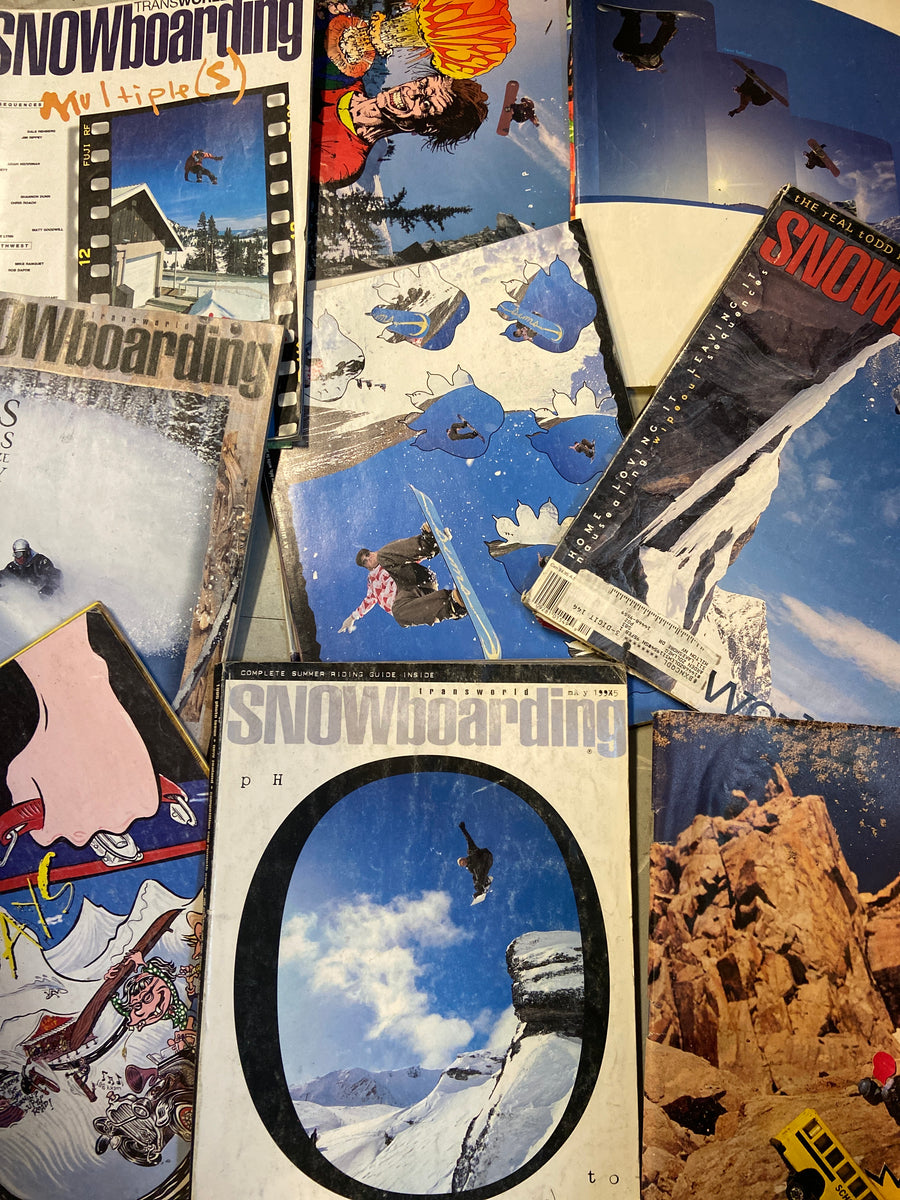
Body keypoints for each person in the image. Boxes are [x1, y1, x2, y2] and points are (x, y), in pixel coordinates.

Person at [312, 72, 489, 188]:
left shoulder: (345, 162)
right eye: (422, 84)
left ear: (427, 128)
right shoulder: (346, 77)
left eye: (425, 104)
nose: (410, 92)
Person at [340, 526, 467, 631]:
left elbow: (408, 557)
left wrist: (437, 544)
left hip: (417, 579)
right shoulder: (372, 584)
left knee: (383, 555)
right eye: (365, 561)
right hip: (416, 601)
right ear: (366, 567)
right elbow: (368, 601)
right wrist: (352, 617)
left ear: (371, 552)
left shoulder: (384, 557)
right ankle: (453, 605)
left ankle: (429, 543)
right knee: (398, 614)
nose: (369, 559)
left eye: (368, 555)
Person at [611, 9, 678, 72]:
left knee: (655, 47)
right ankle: (633, 18)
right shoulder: (644, 62)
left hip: (649, 55)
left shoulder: (635, 57)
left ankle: (633, 18)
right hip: (649, 57)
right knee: (618, 45)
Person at [457, 821, 493, 900]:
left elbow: (468, 839)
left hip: (486, 857)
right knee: (475, 879)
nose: (464, 863)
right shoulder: (470, 868)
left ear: (464, 858)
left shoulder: (471, 851)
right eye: (462, 864)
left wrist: (463, 829)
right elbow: (476, 875)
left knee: (479, 871)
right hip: (484, 866)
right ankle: (484, 884)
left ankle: (483, 886)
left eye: (463, 861)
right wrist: (477, 885)